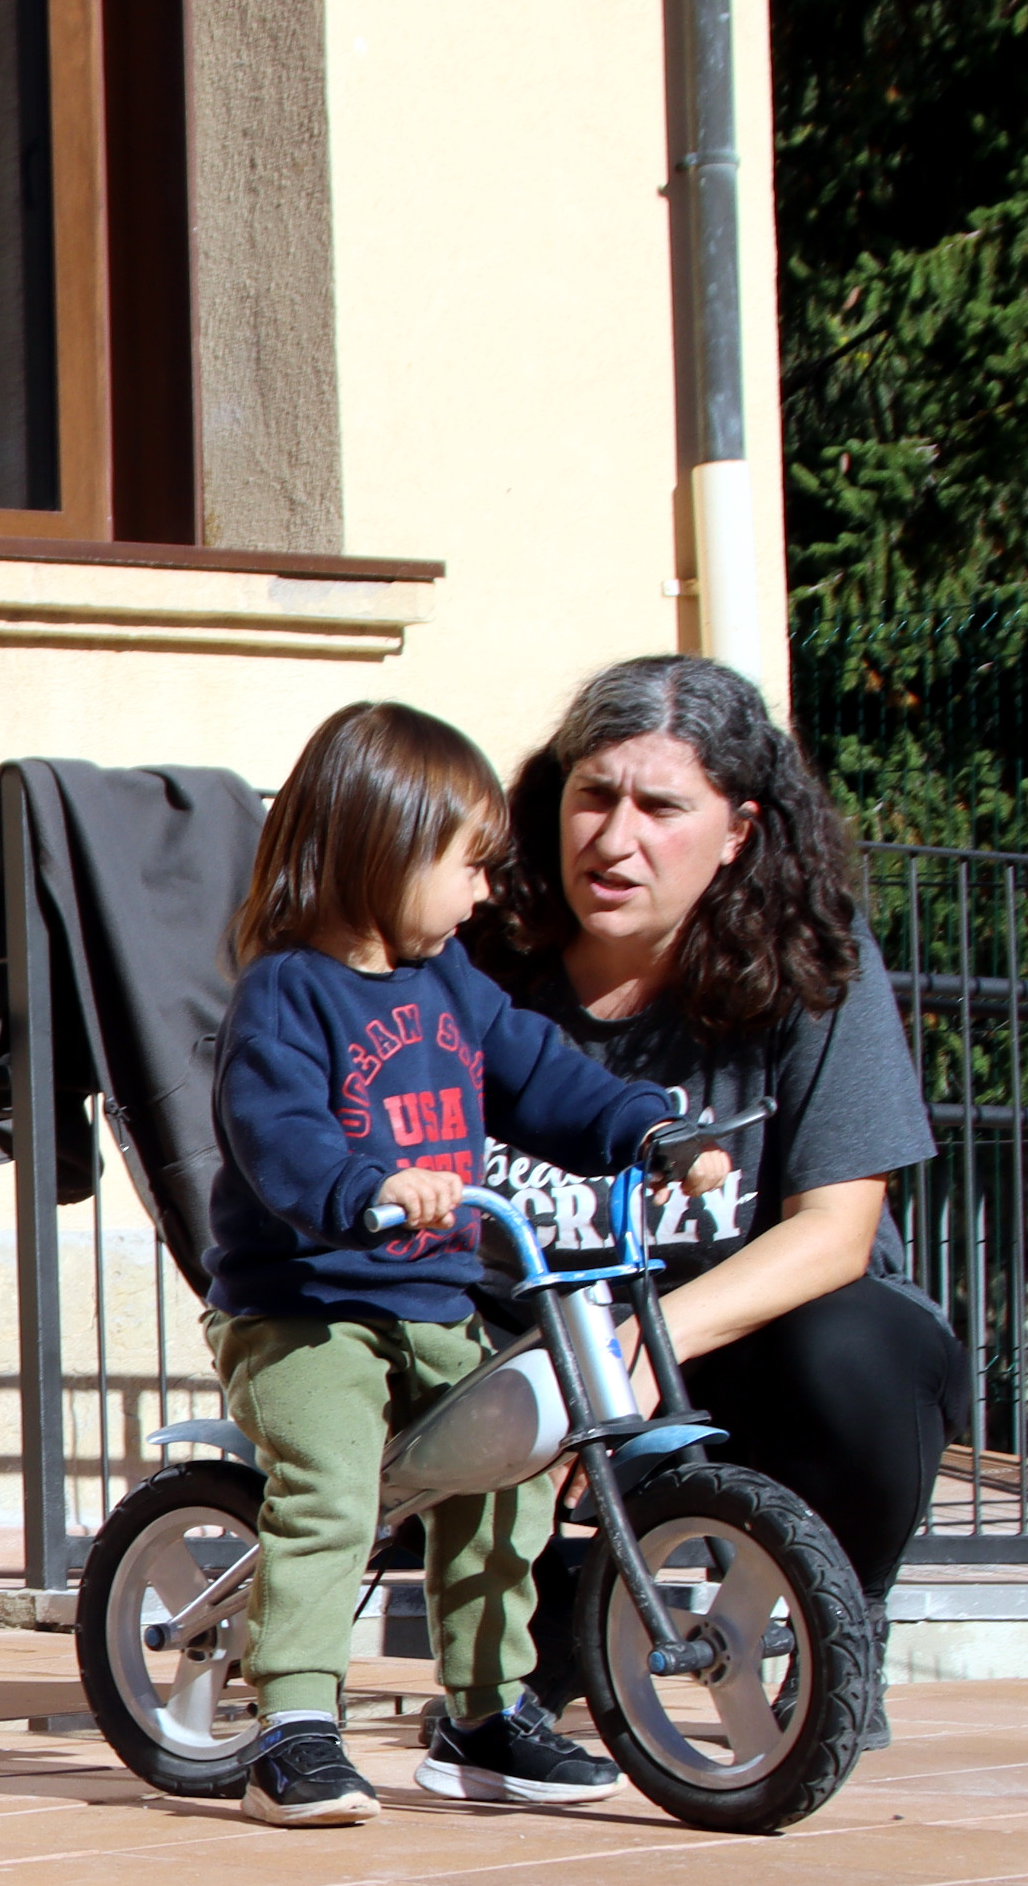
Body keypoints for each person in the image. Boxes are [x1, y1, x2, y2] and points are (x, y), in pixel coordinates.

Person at [207, 702, 721, 1827]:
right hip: (306, 1306)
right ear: (384, 848)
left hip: (430, 1301)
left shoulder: (454, 988)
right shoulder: (285, 993)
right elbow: (279, 1134)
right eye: (468, 867)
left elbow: (544, 1076)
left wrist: (646, 1128)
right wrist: (368, 1187)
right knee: (332, 1487)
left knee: (511, 1468)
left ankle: (483, 1716)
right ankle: (292, 1725)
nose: (485, 894)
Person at [471, 656, 967, 1742]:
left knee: (864, 1347)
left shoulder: (810, 965)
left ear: (737, 830)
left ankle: (839, 1631)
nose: (614, 837)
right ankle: (528, 1643)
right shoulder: (474, 959)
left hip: (733, 1334)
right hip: (516, 1337)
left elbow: (837, 1230)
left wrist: (646, 1351)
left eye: (661, 806)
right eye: (593, 794)